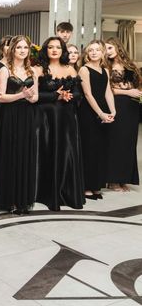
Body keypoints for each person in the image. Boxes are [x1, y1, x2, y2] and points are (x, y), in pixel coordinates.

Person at [34, 37, 84, 211]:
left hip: (67, 117)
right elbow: (35, 96)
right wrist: (56, 95)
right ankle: (44, 193)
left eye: (58, 47)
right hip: (46, 119)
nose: (54, 50)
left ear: (63, 50)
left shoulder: (70, 68)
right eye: (51, 47)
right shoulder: (38, 69)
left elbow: (78, 94)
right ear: (45, 49)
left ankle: (65, 192)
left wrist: (69, 96)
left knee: (66, 151)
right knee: (48, 151)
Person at [0, 36, 39, 214]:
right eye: (19, 47)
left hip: (27, 116)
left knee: (25, 154)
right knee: (10, 154)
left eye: (25, 48)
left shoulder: (32, 71)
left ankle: (23, 198)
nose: (22, 51)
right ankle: (9, 199)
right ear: (12, 49)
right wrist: (21, 95)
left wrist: (30, 97)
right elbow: (0, 97)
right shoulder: (5, 70)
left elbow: (36, 97)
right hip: (9, 115)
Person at [78, 40, 115, 200]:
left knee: (101, 149)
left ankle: (96, 185)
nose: (94, 52)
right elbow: (88, 94)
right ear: (87, 53)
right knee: (89, 149)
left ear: (102, 53)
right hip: (88, 112)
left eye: (97, 50)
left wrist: (113, 111)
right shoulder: (84, 70)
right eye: (91, 50)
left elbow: (108, 92)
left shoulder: (105, 70)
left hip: (103, 112)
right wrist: (100, 113)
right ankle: (87, 186)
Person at [105, 37, 141, 191]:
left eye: (110, 48)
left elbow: (137, 84)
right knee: (116, 141)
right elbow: (105, 89)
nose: (107, 51)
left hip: (132, 107)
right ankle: (113, 179)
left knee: (128, 142)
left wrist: (137, 92)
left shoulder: (130, 65)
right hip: (116, 104)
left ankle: (124, 178)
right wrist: (128, 92)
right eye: (105, 49)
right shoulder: (105, 66)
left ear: (118, 47)